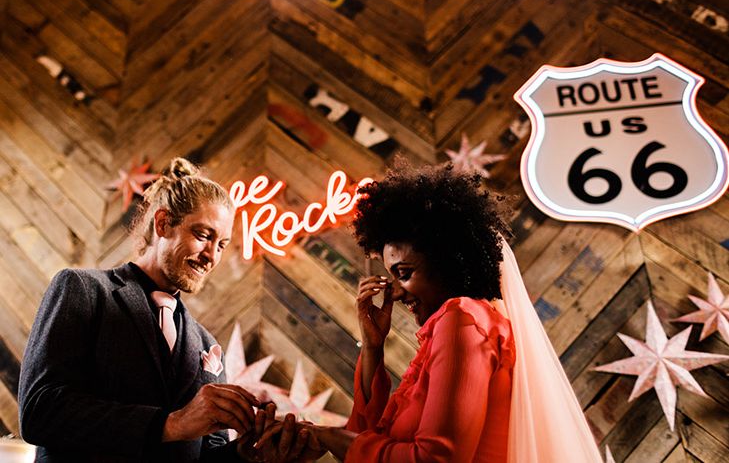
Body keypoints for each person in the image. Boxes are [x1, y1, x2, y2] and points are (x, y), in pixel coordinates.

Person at [263, 163, 603, 462]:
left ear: (446, 263)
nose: (393, 292)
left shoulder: (462, 318)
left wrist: (326, 437)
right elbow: (369, 436)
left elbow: (438, 458)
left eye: (404, 273)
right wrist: (372, 347)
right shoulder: (454, 328)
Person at [18, 157, 315, 463]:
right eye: (203, 236)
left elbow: (204, 455)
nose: (211, 256)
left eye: (222, 245)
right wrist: (172, 424)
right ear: (162, 223)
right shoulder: (83, 290)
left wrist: (247, 453)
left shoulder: (206, 344)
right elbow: (40, 411)